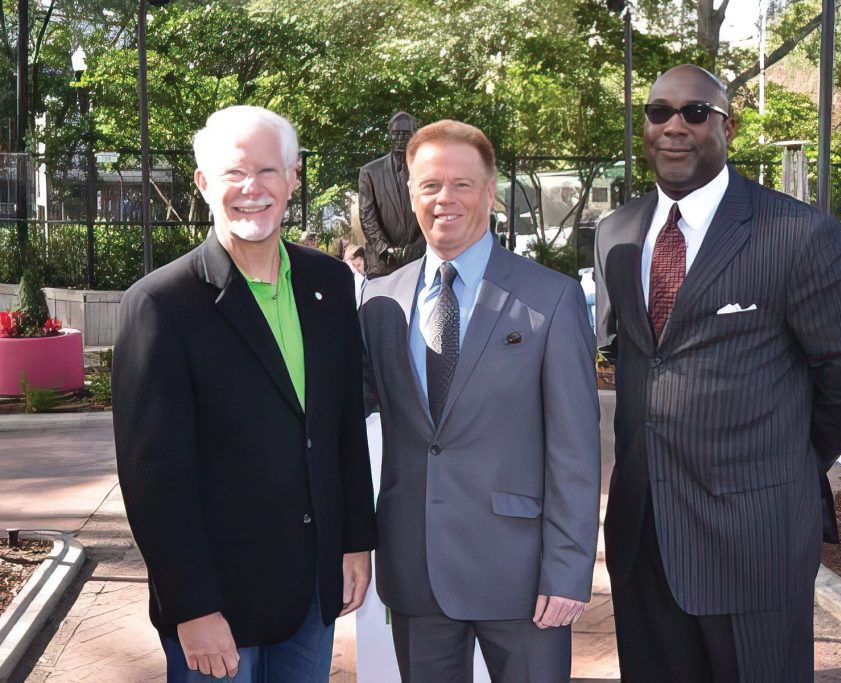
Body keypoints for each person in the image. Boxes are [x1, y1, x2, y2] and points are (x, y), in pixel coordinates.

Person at [594, 65, 841, 682]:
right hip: (641, 536)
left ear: (726, 127)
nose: (674, 126)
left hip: (752, 539)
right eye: (659, 113)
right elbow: (630, 357)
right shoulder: (615, 233)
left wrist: (787, 449)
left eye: (695, 113)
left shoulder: (798, 234)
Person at [112, 105, 375, 682]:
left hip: (311, 595)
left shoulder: (330, 284)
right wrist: (193, 606)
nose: (251, 190)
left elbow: (343, 427)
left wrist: (355, 541)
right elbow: (153, 477)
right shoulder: (161, 304)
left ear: (294, 178)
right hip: (217, 604)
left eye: (268, 172)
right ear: (204, 184)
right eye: (233, 174)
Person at [360, 119, 601, 682]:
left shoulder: (551, 298)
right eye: (430, 185)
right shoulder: (379, 301)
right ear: (412, 195)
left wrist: (567, 573)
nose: (445, 198)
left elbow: (575, 452)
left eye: (462, 184)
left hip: (522, 580)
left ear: (490, 193)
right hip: (416, 573)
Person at [358, 111, 425, 277]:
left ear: (414, 135)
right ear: (389, 136)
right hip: (382, 265)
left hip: (418, 261)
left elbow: (433, 212)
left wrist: (418, 247)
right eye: (396, 133)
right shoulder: (370, 172)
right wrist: (384, 248)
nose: (400, 138)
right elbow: (367, 217)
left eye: (405, 133)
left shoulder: (427, 171)